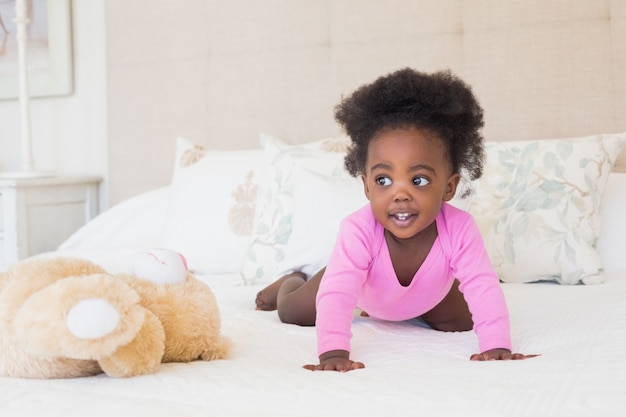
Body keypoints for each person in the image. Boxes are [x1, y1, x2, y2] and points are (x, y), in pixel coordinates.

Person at [255, 68, 537, 372]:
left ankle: (410, 308)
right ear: (366, 185)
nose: (400, 194)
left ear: (450, 187)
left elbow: (482, 285)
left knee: (464, 321)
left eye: (418, 180)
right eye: (384, 180)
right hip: (360, 286)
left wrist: (496, 346)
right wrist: (333, 353)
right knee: (292, 311)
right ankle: (292, 278)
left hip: (431, 295)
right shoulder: (358, 230)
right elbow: (337, 295)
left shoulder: (459, 228)